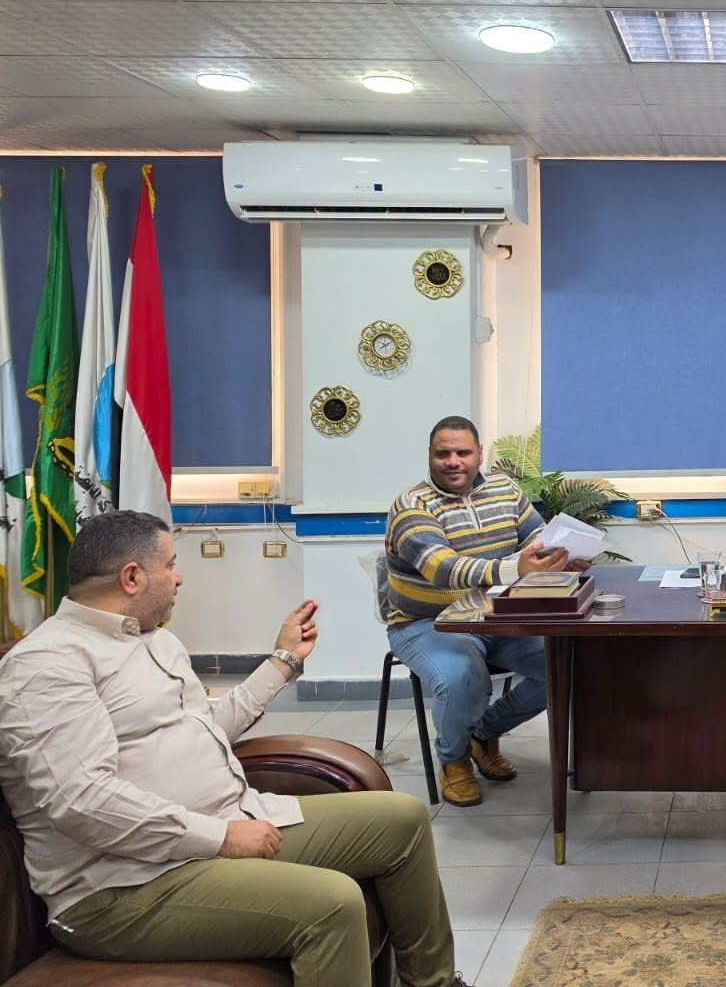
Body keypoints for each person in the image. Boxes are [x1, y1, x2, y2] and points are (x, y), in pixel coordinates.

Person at [0, 510, 471, 986]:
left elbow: (207, 728)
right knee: (334, 904)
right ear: (132, 577)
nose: (179, 577)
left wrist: (282, 661)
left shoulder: (155, 642)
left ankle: (433, 983)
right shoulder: (47, 665)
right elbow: (81, 802)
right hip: (122, 887)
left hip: (224, 822)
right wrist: (220, 837)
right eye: (171, 565)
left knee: (403, 821)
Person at [386, 415, 587, 807]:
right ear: (429, 456)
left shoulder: (504, 490)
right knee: (464, 678)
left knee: (566, 664)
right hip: (428, 623)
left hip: (497, 615)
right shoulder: (411, 505)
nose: (453, 461)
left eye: (463, 452)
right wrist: (514, 569)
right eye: (443, 454)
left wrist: (562, 555)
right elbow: (443, 569)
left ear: (479, 454)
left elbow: (536, 537)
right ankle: (454, 759)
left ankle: (483, 733)